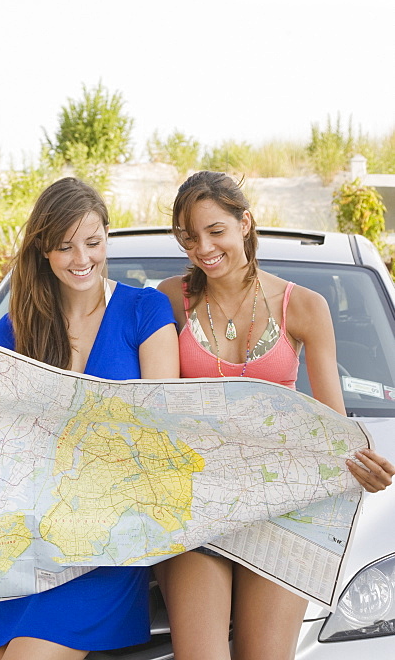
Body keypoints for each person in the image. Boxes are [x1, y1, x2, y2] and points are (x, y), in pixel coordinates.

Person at [0, 176, 179, 660]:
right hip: (21, 542)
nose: (81, 259)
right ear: (43, 249)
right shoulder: (15, 326)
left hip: (99, 545)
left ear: (108, 236)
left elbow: (158, 428)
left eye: (92, 242)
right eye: (64, 247)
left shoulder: (146, 310)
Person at [155, 170, 394, 660]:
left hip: (283, 507)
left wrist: (363, 464)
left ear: (245, 223)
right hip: (198, 504)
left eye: (215, 230)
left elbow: (334, 425)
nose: (203, 247)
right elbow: (134, 397)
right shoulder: (169, 300)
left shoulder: (303, 306)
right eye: (189, 237)